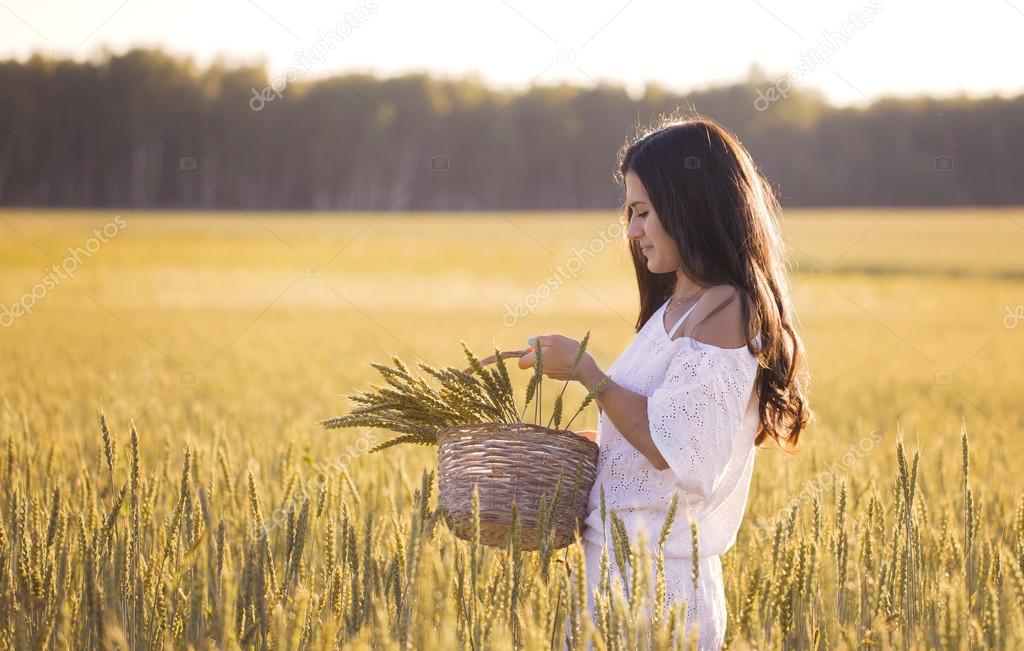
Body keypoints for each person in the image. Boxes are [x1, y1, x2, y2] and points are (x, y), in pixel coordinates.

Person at [518, 113, 811, 649]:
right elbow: (643, 442)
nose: (631, 231)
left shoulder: (726, 309)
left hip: (659, 593)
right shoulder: (673, 309)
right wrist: (567, 450)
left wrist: (587, 372)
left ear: (690, 205)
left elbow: (673, 448)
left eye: (643, 212)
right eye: (630, 213)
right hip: (610, 571)